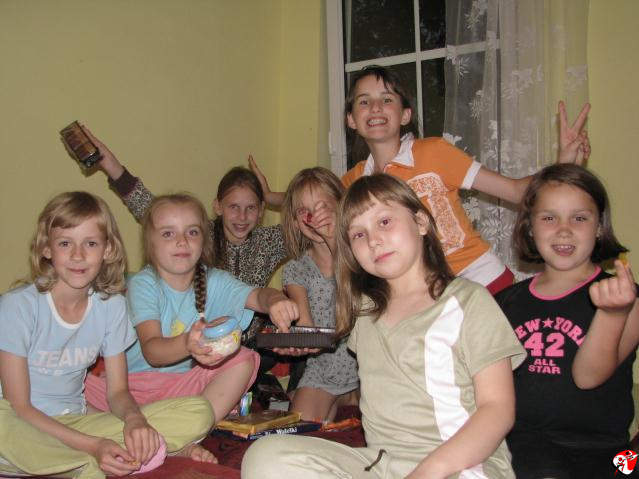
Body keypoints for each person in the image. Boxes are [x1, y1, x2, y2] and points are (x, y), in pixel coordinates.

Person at [243, 174, 526, 479]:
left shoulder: (468, 301)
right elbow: (337, 294)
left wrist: (429, 471)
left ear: (421, 222)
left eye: (385, 222)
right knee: (265, 456)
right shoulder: (364, 309)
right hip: (383, 464)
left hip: (459, 465)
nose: (373, 240)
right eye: (358, 234)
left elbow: (498, 410)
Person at [251, 66, 591, 294]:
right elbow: (315, 198)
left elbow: (516, 191)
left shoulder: (434, 152)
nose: (376, 108)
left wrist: (563, 160)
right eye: (364, 102)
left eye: (387, 100)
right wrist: (270, 197)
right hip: (426, 297)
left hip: (482, 283)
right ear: (351, 120)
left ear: (405, 114)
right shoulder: (355, 181)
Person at [0, 191, 214, 478]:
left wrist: (135, 420)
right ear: (46, 248)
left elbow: (117, 392)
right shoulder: (18, 306)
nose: (78, 255)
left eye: (90, 243)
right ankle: (95, 460)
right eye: (65, 243)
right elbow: (20, 407)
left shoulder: (111, 306)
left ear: (108, 249)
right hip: (19, 424)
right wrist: (95, 446)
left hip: (76, 422)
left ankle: (81, 461)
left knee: (198, 412)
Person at [84, 193, 299, 444]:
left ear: (203, 240)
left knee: (244, 358)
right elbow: (152, 351)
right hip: (132, 390)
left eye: (192, 232)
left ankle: (172, 435)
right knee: (73, 390)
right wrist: (188, 343)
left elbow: (257, 296)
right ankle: (170, 435)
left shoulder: (214, 280)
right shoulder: (143, 284)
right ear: (150, 243)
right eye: (168, 234)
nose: (182, 241)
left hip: (182, 393)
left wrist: (275, 300)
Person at [71, 128, 288, 342]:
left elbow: (305, 212)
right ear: (218, 206)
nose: (242, 216)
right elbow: (145, 203)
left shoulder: (268, 241)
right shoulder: (198, 234)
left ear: (261, 210)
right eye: (233, 207)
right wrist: (108, 163)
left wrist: (271, 197)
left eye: (251, 208)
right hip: (198, 340)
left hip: (250, 344)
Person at [494, 163, 638, 479]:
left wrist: (612, 314)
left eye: (579, 218)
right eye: (549, 218)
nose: (564, 230)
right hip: (524, 445)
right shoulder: (504, 302)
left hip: (610, 451)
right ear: (529, 227)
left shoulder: (626, 297)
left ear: (599, 226)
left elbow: (588, 378)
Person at [272, 167, 359, 421]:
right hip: (324, 371)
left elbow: (355, 299)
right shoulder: (297, 269)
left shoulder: (363, 253)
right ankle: (337, 397)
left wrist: (334, 239)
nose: (314, 217)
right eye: (304, 211)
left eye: (323, 207)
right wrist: (295, 345)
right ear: (295, 222)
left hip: (370, 369)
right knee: (298, 428)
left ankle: (350, 397)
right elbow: (307, 328)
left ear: (341, 207)